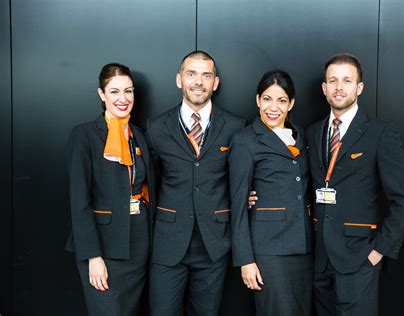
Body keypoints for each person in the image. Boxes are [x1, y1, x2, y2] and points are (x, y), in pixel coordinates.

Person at [306, 53, 404, 315]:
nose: (339, 87)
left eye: (347, 80)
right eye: (332, 81)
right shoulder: (313, 132)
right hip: (320, 259)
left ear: (359, 87)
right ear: (324, 88)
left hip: (359, 258)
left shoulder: (380, 133)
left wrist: (379, 250)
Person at [146, 50, 246, 316]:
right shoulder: (156, 127)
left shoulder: (236, 126)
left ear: (216, 82)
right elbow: (150, 182)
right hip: (168, 243)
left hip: (213, 243)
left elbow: (241, 179)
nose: (198, 82)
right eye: (191, 74)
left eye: (206, 75)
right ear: (179, 79)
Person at [65, 63, 155, 315]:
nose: (123, 99)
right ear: (101, 94)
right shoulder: (84, 135)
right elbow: (79, 201)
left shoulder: (139, 135)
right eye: (114, 91)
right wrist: (93, 257)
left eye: (128, 91)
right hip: (102, 248)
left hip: (138, 243)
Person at [229, 70, 313, 315]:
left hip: (305, 247)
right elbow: (238, 204)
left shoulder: (302, 135)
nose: (273, 107)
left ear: (291, 104)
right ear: (257, 100)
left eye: (281, 100)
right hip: (269, 250)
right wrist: (246, 260)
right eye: (267, 99)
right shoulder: (245, 140)